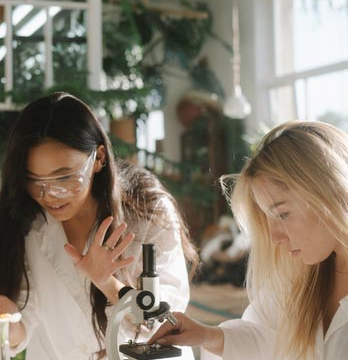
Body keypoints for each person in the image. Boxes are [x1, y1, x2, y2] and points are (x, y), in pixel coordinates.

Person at [0, 92, 199, 359]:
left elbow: (166, 324)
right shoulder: (26, 219)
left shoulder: (147, 210)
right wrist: (7, 326)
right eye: (34, 180)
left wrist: (107, 283)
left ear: (98, 158)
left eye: (64, 177)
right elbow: (25, 320)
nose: (49, 194)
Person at [148, 120, 348, 360]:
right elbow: (266, 335)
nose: (274, 237)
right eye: (268, 219)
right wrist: (207, 335)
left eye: (283, 214)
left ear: (331, 193)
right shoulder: (300, 275)